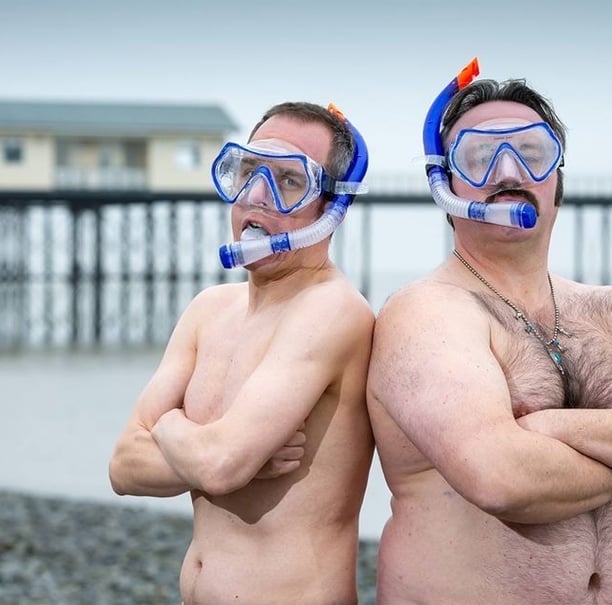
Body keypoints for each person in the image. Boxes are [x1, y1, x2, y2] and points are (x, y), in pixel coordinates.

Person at [109, 101, 375, 604]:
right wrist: (208, 448)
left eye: (289, 181)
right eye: (249, 172)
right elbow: (123, 467)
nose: (257, 196)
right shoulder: (209, 308)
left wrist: (168, 428)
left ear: (332, 207)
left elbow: (222, 466)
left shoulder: (332, 311)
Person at [367, 61, 612, 605]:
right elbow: (502, 479)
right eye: (478, 157)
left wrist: (549, 426)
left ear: (558, 177)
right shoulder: (425, 313)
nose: (508, 172)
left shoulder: (604, 309)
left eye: (532, 152)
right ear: (446, 186)